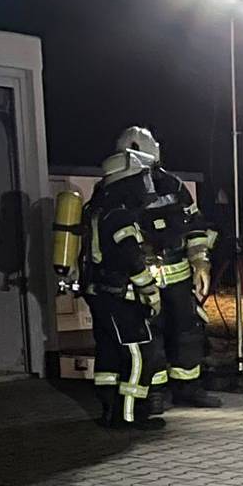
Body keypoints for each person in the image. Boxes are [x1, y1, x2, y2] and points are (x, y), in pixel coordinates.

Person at [97, 127, 222, 408]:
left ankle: (188, 387)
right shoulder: (116, 188)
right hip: (141, 277)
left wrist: (201, 261)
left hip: (178, 274)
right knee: (150, 336)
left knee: (188, 331)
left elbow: (196, 226)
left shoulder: (173, 186)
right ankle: (153, 393)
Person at [80, 130, 171, 427]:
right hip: (120, 296)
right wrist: (150, 290)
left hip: (99, 293)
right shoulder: (119, 215)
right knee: (137, 354)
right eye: (142, 178)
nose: (146, 186)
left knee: (107, 354)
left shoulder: (96, 208)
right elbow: (130, 257)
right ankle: (129, 415)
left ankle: (108, 410)